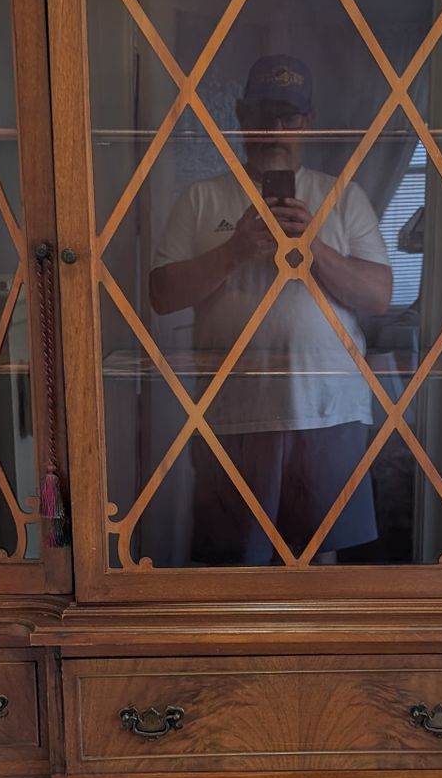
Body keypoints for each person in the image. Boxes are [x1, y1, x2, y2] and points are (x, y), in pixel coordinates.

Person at [149, 54, 394, 563]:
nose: (276, 129)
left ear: (309, 121)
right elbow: (161, 295)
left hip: (328, 410)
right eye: (264, 115)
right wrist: (235, 251)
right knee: (236, 570)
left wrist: (315, 247)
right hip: (231, 413)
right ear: (241, 115)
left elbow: (378, 296)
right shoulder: (200, 199)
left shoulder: (342, 198)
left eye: (289, 117)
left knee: (319, 569)